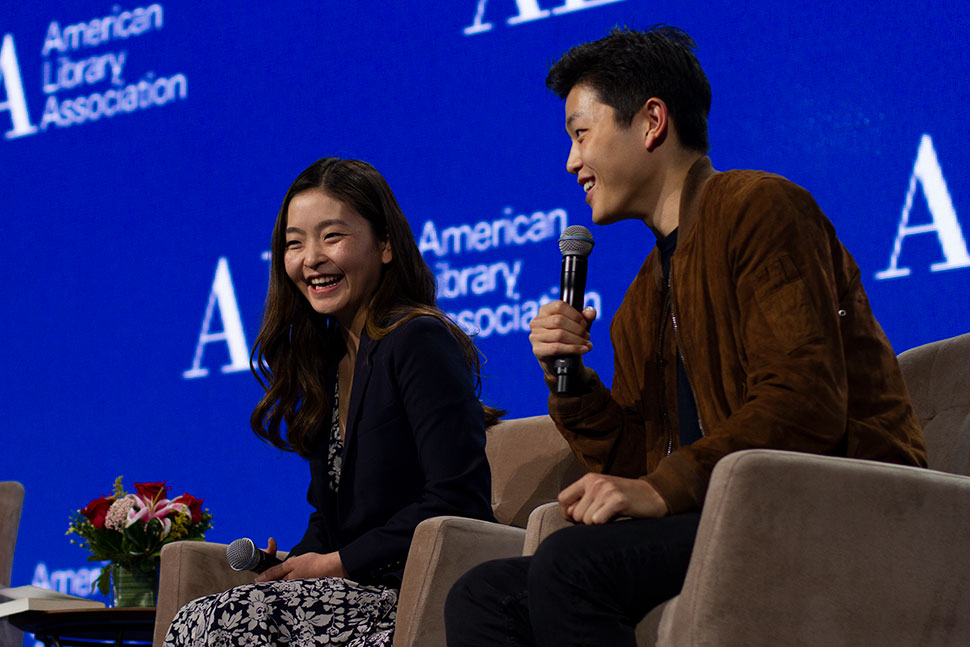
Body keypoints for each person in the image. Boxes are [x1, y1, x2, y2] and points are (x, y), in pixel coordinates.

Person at [444, 26, 927, 647]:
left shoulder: (760, 208)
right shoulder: (642, 295)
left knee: (571, 567)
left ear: (651, 122)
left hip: (828, 499)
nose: (571, 162)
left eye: (580, 133)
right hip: (717, 509)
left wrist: (661, 487)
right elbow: (638, 460)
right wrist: (574, 385)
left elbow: (804, 404)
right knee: (483, 594)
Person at [164, 158, 497, 646]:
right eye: (294, 243)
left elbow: (457, 497)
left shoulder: (417, 340)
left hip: (408, 595)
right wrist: (295, 563)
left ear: (385, 244)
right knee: (208, 614)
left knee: (220, 620)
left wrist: (335, 564)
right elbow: (331, 519)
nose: (311, 258)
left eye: (331, 237)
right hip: (351, 591)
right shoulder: (327, 363)